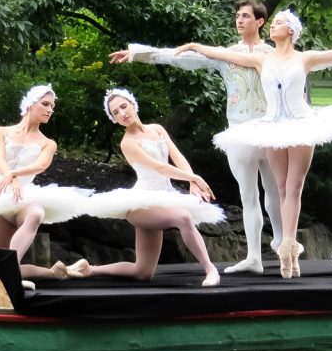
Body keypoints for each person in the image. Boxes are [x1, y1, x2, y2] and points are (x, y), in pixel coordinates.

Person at [173, 10, 332, 278]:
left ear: (291, 31)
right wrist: (193, 46)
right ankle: (287, 247)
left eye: (278, 23)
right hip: (273, 128)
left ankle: (288, 245)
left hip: (301, 125)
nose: (272, 27)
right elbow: (222, 54)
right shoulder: (260, 59)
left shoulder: (305, 58)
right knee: (280, 188)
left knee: (294, 187)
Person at [72, 88, 223, 287]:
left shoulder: (157, 129)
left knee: (142, 272)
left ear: (133, 105)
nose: (122, 113)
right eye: (115, 113)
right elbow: (159, 167)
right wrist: (195, 177)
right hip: (141, 205)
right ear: (114, 120)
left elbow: (177, 157)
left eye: (124, 107)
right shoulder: (128, 143)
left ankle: (89, 269)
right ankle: (210, 269)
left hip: (164, 197)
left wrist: (192, 181)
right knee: (183, 217)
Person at [0, 84, 91, 287]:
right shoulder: (2, 132)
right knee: (2, 261)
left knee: (36, 213)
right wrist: (11, 177)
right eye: (46, 104)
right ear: (31, 104)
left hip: (24, 198)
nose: (50, 109)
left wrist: (15, 175)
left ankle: (8, 277)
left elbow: (40, 166)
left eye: (52, 106)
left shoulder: (48, 143)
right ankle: (54, 273)